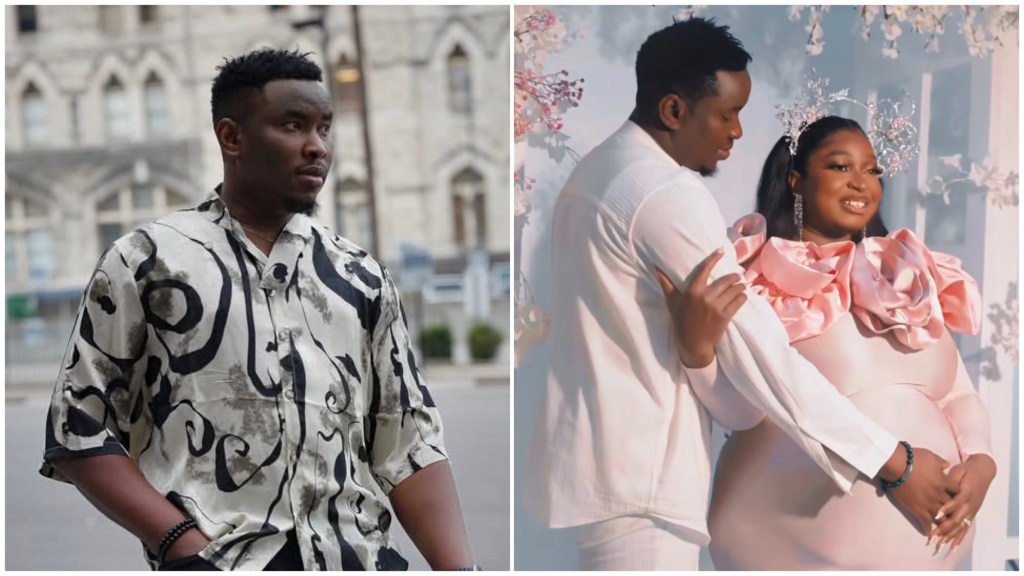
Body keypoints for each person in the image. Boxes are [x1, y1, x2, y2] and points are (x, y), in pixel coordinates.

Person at [527, 18, 951, 571]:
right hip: (645, 491)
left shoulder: (596, 173)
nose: (738, 132)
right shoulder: (662, 191)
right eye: (727, 114)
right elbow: (762, 355)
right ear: (675, 111)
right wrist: (893, 463)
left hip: (612, 478)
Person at [40, 48, 478, 571]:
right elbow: (78, 425)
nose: (316, 147)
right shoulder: (147, 262)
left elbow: (408, 443)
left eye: (324, 127)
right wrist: (180, 542)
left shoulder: (361, 276)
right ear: (232, 137)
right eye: (293, 125)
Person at [660, 115, 996, 569]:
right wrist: (697, 353)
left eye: (872, 170)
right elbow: (742, 414)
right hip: (786, 541)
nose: (861, 182)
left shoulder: (905, 276)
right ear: (796, 180)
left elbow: (957, 393)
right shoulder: (759, 279)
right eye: (840, 167)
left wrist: (981, 463)